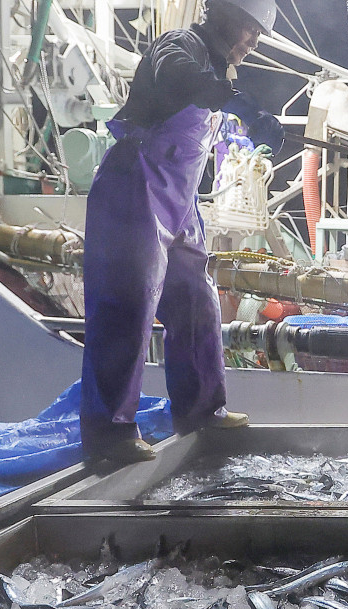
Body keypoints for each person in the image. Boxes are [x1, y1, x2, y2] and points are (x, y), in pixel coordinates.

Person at [80, 0, 285, 463]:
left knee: (196, 303)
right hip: (136, 187)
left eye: (257, 34)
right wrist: (244, 107)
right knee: (127, 306)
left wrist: (245, 115)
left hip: (179, 203)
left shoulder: (217, 69)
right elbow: (178, 76)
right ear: (225, 16)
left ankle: (200, 411)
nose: (253, 43)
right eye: (251, 30)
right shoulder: (180, 46)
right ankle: (108, 436)